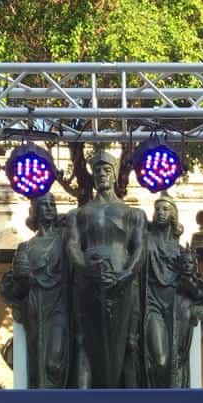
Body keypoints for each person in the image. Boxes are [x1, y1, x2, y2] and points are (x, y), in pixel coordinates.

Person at [66, 150, 146, 387]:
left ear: (114, 175)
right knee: (84, 339)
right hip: (88, 282)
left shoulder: (133, 214)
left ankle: (130, 398)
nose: (102, 174)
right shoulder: (78, 214)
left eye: (106, 170)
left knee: (128, 342)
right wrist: (85, 269)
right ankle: (83, 398)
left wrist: (126, 274)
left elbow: (140, 247)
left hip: (122, 281)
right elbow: (73, 245)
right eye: (98, 170)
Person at [0, 193, 71, 388]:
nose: (49, 208)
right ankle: (41, 401)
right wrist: (21, 278)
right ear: (34, 211)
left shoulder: (66, 240)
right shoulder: (25, 247)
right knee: (37, 361)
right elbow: (17, 289)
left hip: (60, 306)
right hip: (35, 308)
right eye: (44, 204)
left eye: (52, 204)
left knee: (55, 363)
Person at [143, 194, 203, 388]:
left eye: (165, 209)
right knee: (160, 360)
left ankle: (170, 400)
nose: (160, 212)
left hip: (175, 309)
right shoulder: (146, 244)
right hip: (153, 306)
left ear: (173, 214)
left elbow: (200, 295)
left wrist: (188, 281)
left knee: (176, 360)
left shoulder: (181, 252)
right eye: (157, 209)